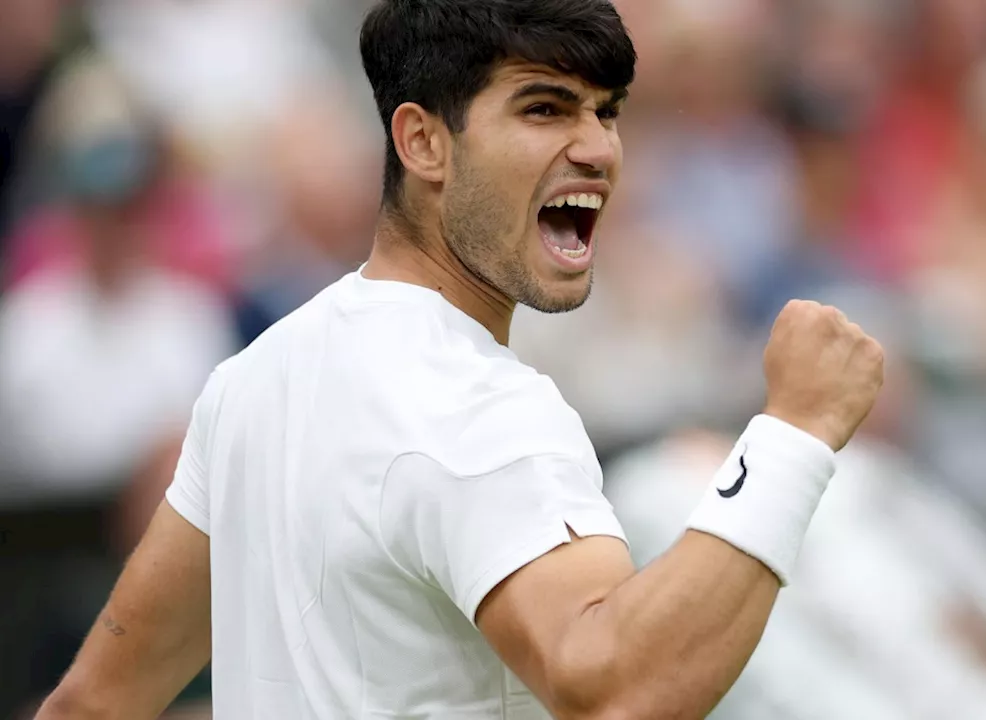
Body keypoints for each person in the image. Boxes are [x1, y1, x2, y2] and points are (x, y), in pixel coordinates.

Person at [34, 1, 884, 718]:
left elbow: (89, 706)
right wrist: (794, 433)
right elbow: (618, 685)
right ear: (423, 142)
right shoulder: (476, 401)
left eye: (607, 109)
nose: (597, 146)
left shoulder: (251, 379)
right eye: (545, 108)